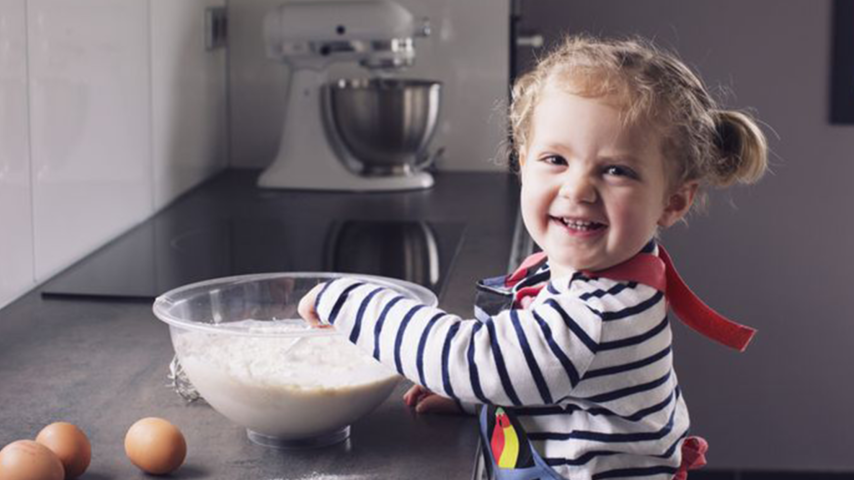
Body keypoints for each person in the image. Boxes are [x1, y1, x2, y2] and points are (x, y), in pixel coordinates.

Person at [299, 34, 768, 480]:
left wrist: (354, 302)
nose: (578, 189)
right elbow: (546, 373)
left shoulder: (599, 314)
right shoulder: (595, 271)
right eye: (556, 160)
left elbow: (474, 360)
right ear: (523, 163)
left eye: (616, 170)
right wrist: (484, 396)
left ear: (672, 201)